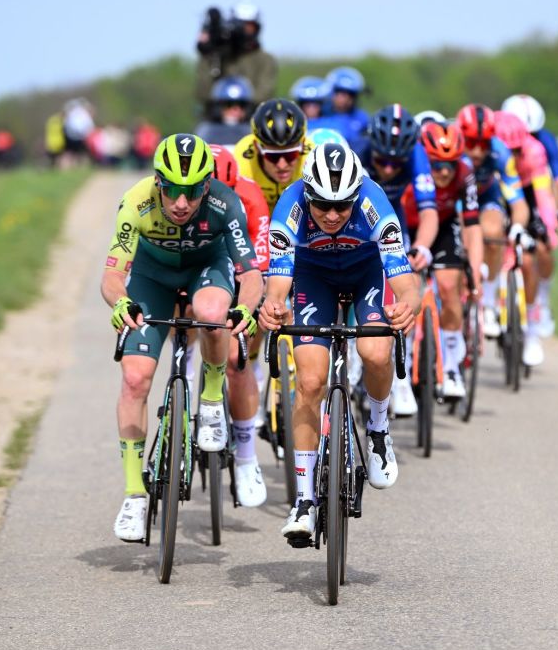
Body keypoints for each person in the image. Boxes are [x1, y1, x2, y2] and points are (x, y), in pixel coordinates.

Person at [102, 134, 263, 542]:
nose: (180, 203)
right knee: (135, 379)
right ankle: (134, 496)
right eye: (172, 189)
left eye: (191, 192)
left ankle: (210, 399)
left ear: (206, 185)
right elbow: (113, 275)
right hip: (151, 278)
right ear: (158, 181)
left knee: (212, 315)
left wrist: (245, 308)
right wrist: (120, 303)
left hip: (206, 270)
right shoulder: (135, 202)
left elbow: (250, 274)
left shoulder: (225, 203)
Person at [258, 143, 420, 543]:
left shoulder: (373, 203)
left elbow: (404, 280)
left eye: (342, 206)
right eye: (322, 206)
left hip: (366, 274)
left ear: (356, 196)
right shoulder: (290, 208)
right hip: (314, 278)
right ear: (307, 194)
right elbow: (278, 282)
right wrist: (273, 306)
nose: (332, 215)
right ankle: (304, 501)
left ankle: (378, 429)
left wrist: (408, 305)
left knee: (375, 351)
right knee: (310, 382)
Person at [360, 103, 438, 417]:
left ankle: (400, 371)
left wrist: (422, 247)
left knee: (408, 283)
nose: (390, 169)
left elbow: (429, 211)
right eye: (383, 161)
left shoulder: (417, 155)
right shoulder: (360, 151)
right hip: (358, 220)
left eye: (397, 163)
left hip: (394, 220)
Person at [402, 120, 484, 399]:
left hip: (444, 227)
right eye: (436, 164)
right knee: (408, 289)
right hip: (408, 227)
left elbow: (472, 225)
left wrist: (474, 272)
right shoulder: (411, 168)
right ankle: (403, 363)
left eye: (450, 164)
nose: (445, 172)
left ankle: (450, 366)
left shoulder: (465, 173)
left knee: (450, 285)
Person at [208, 144, 270, 506]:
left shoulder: (250, 194)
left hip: (243, 268)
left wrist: (251, 301)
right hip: (204, 267)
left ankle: (247, 457)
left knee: (237, 359)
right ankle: (188, 367)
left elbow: (258, 261)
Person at [501, 94, 558, 338]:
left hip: (531, 189)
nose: (526, 140)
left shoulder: (543, 144)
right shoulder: (496, 142)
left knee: (543, 246)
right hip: (503, 189)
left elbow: (557, 183)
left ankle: (542, 298)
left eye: (533, 134)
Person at [453, 103, 530, 342]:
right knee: (462, 238)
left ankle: (488, 302)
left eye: (483, 143)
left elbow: (518, 203)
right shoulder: (451, 148)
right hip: (455, 199)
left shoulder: (500, 153)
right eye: (471, 143)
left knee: (494, 232)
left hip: (486, 199)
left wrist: (517, 227)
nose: (477, 151)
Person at [194, 1, 278, 111]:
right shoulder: (220, 56)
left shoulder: (265, 60)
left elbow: (263, 95)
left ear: (257, 29)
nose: (243, 32)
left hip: (251, 116)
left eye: (248, 27)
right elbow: (203, 93)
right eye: (239, 26)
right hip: (218, 117)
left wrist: (238, 106)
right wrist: (207, 53)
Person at [235, 98, 312, 213]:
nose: (282, 165)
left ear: (303, 145)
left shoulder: (312, 161)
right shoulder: (241, 163)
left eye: (290, 154)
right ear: (257, 147)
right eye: (273, 156)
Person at [193, 76, 254, 148]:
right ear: (218, 107)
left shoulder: (252, 132)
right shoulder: (205, 131)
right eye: (228, 104)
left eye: (241, 105)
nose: (234, 110)